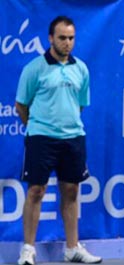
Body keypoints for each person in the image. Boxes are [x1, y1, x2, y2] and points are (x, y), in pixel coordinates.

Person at [15, 16, 102, 264]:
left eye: (71, 38)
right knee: (35, 191)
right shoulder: (34, 68)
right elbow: (21, 105)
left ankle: (72, 248)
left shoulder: (81, 69)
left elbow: (80, 105)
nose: (67, 43)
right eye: (62, 38)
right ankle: (28, 250)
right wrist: (37, 127)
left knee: (72, 190)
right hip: (41, 138)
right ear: (51, 38)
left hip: (73, 138)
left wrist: (66, 125)